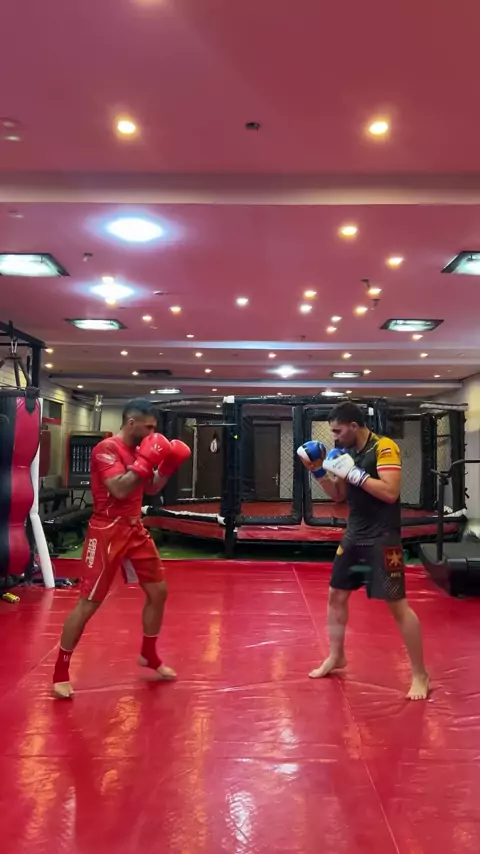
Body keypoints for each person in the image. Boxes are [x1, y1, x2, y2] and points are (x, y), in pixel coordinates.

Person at [52, 398, 191, 699]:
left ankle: (148, 654)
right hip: (106, 531)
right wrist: (146, 460)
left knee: (158, 592)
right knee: (88, 603)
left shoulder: (140, 449)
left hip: (134, 528)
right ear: (131, 423)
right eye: (149, 427)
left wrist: (167, 466)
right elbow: (119, 488)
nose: (153, 433)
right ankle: (60, 671)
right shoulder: (107, 449)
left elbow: (150, 487)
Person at [297, 401, 429, 701]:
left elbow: (391, 492)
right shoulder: (343, 453)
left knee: (397, 606)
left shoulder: (384, 447)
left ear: (354, 426)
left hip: (383, 537)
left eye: (337, 431)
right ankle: (337, 656)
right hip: (355, 534)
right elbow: (338, 496)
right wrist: (318, 471)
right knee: (336, 595)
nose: (334, 437)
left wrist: (356, 474)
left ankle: (420, 673)